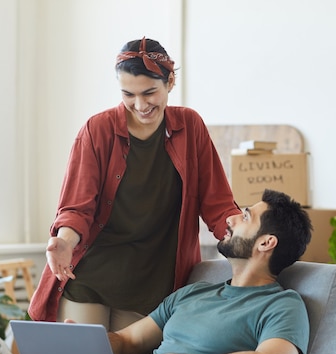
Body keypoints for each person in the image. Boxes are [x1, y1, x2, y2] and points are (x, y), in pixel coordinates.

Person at [0, 189, 313, 354]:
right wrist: (83, 344)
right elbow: (128, 341)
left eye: (246, 216)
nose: (233, 217)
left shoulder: (282, 306)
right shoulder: (195, 292)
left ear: (266, 243)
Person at [28, 37, 240, 330]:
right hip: (91, 276)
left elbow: (217, 204)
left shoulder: (190, 127)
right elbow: (77, 208)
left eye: (149, 92)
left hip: (152, 282)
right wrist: (64, 242)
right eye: (128, 94)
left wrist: (245, 236)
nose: (140, 105)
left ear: (170, 81)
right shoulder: (97, 130)